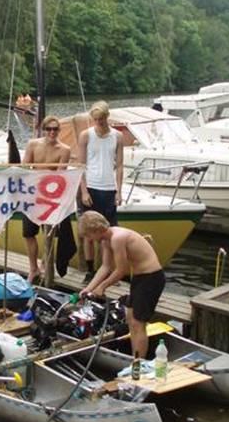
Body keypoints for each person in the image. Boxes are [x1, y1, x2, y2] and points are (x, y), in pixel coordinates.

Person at [78, 211, 165, 358]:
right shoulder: (105, 241)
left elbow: (121, 270)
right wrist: (88, 289)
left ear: (96, 231)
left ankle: (138, 364)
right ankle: (135, 358)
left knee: (138, 323)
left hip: (151, 278)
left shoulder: (117, 238)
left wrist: (102, 287)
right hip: (139, 279)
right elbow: (105, 267)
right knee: (131, 319)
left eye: (88, 236)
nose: (89, 240)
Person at [77, 101, 124, 283]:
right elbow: (80, 165)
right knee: (89, 233)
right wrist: (84, 191)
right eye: (95, 119)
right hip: (91, 187)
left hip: (108, 187)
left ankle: (109, 270)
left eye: (102, 119)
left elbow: (119, 165)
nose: (99, 122)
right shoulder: (86, 136)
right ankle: (90, 271)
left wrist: (119, 191)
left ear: (107, 117)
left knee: (109, 232)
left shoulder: (117, 136)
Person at [21, 115, 71, 283]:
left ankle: (44, 263)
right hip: (32, 193)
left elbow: (60, 174)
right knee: (28, 232)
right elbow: (24, 166)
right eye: (48, 129)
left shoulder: (64, 150)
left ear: (59, 130)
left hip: (50, 195)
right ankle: (33, 268)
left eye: (55, 129)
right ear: (43, 129)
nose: (52, 132)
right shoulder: (32, 144)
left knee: (49, 232)